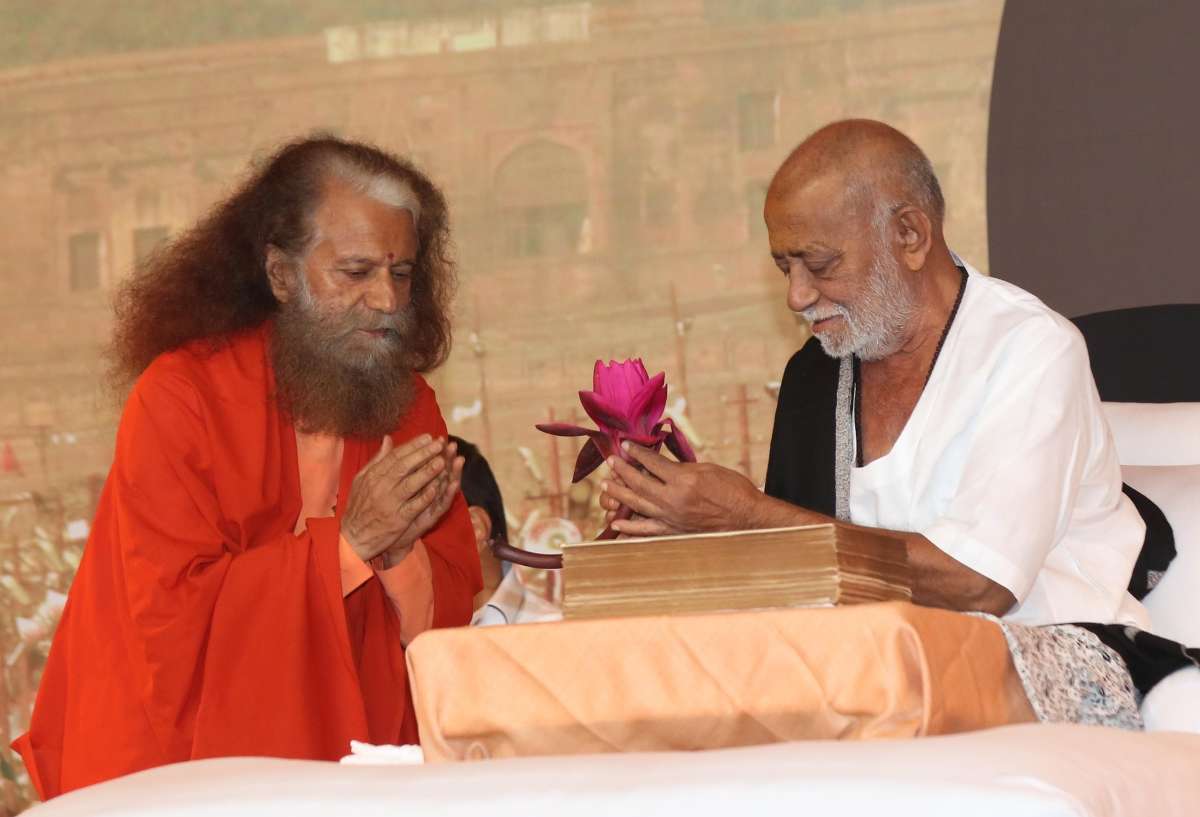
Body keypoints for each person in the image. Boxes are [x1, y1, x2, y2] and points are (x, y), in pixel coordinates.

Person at [13, 137, 482, 798]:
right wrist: (350, 546)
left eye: (401, 273)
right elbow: (171, 619)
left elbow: (449, 615)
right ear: (282, 275)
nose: (385, 299)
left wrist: (402, 553)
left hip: (356, 759)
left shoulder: (408, 405)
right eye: (355, 272)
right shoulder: (181, 397)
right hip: (180, 767)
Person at [600, 119, 1147, 629]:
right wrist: (684, 527)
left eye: (819, 265)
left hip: (1052, 650)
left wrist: (748, 516)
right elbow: (797, 576)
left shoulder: (1028, 348)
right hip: (872, 655)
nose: (797, 296)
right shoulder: (814, 375)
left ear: (910, 235)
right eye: (784, 269)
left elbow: (980, 585)